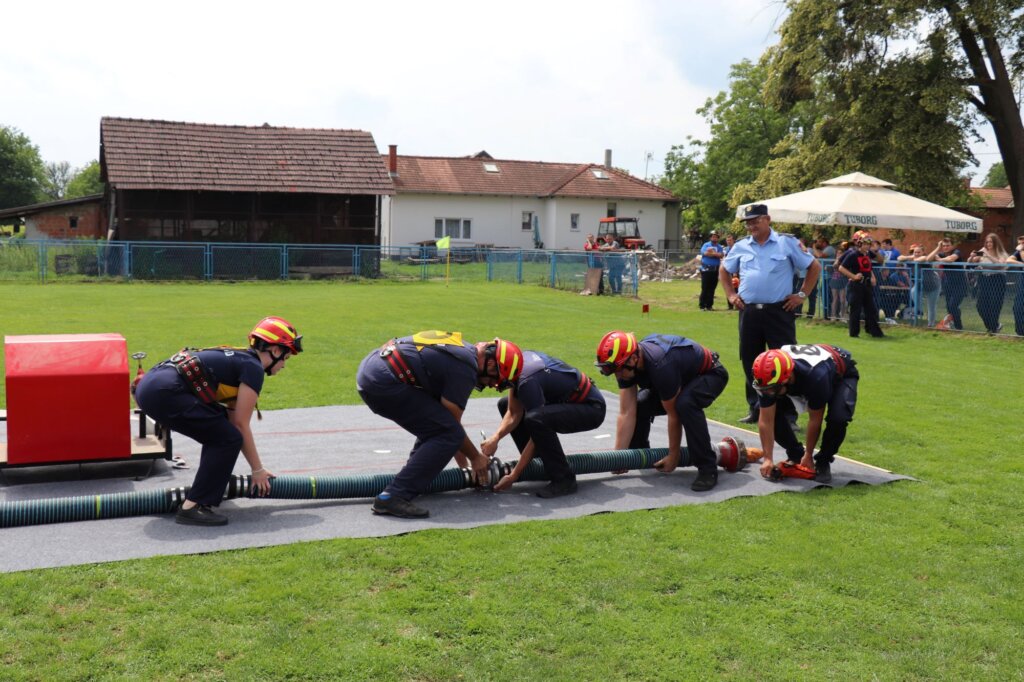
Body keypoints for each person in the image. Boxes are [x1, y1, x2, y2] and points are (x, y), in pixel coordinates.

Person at [133, 316, 303, 526]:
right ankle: (194, 507)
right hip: (165, 392)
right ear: (275, 351)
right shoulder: (254, 368)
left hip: (151, 386)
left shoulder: (241, 359)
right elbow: (240, 425)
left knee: (222, 430)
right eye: (287, 357)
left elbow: (232, 419)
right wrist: (257, 470)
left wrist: (256, 467)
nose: (284, 365)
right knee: (228, 438)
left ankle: (206, 492)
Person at [356, 331, 523, 519]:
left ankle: (410, 479)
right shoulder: (465, 368)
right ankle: (393, 496)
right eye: (494, 380)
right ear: (491, 364)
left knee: (437, 424)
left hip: (375, 368)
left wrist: (465, 469)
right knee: (446, 432)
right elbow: (452, 429)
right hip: (383, 382)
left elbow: (443, 422)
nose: (491, 385)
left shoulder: (463, 350)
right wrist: (476, 459)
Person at [718, 204, 820, 424]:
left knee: (785, 362)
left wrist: (802, 294)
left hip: (778, 312)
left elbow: (814, 266)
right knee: (750, 361)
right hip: (749, 312)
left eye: (756, 221)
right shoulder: (741, 246)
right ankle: (756, 408)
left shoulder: (786, 243)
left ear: (768, 219)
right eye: (748, 222)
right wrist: (730, 295)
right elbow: (724, 270)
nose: (751, 226)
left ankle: (788, 415)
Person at [594, 331, 729, 492]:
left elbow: (674, 416)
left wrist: (674, 455)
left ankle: (708, 469)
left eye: (618, 369)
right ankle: (640, 451)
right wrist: (619, 456)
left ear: (634, 358)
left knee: (685, 405)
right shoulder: (626, 364)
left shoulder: (661, 365)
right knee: (640, 403)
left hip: (710, 374)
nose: (618, 375)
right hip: (679, 377)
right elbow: (627, 412)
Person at [481, 349, 606, 498]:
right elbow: (514, 412)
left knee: (536, 419)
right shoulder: (516, 365)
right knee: (504, 404)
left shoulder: (527, 381)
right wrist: (495, 438)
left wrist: (514, 475)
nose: (490, 384)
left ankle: (564, 479)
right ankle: (541, 464)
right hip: (575, 401)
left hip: (591, 409)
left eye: (490, 379)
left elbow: (536, 430)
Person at [751, 344, 858, 484]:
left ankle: (823, 461)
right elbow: (766, 420)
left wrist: (809, 455)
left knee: (838, 418)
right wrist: (768, 458)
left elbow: (815, 419)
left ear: (787, 378)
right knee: (764, 409)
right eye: (764, 389)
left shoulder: (816, 377)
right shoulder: (766, 377)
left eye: (771, 389)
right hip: (799, 377)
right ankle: (796, 454)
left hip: (840, 373)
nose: (767, 393)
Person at [837, 232, 885, 338]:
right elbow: (841, 267)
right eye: (865, 244)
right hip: (855, 286)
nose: (867, 246)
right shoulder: (852, 255)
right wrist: (853, 276)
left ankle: (874, 332)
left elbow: (879, 261)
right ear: (859, 244)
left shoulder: (867, 254)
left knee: (871, 309)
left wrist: (873, 276)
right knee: (856, 311)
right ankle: (854, 333)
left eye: (869, 244)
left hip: (866, 285)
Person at [967, 233, 1009, 333]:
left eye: (991, 242)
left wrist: (988, 255)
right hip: (984, 279)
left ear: (996, 242)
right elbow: (970, 262)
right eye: (987, 242)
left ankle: (992, 330)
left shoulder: (1001, 252)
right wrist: (971, 257)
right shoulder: (983, 251)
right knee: (981, 306)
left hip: (997, 280)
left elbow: (1000, 265)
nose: (988, 244)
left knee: (994, 305)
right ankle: (994, 326)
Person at [927, 237, 967, 330]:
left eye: (948, 245)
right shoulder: (941, 253)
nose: (945, 247)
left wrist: (940, 260)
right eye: (943, 246)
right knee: (949, 307)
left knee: (953, 305)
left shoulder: (957, 252)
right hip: (948, 283)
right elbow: (929, 259)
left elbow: (951, 259)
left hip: (960, 283)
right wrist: (937, 248)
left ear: (952, 246)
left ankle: (959, 327)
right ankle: (955, 325)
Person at [898, 244, 940, 327]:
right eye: (915, 252)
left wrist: (913, 258)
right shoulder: (911, 260)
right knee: (913, 291)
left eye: (918, 252)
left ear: (923, 252)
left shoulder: (925, 259)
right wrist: (910, 257)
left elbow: (923, 258)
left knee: (931, 306)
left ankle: (930, 324)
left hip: (933, 285)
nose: (916, 254)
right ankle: (918, 309)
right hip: (920, 284)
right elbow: (899, 258)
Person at [698, 230, 725, 310]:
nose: (714, 238)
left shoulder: (719, 247)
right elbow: (704, 253)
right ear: (710, 237)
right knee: (705, 287)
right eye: (713, 236)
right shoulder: (706, 245)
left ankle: (709, 305)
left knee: (712, 288)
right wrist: (715, 254)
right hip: (706, 269)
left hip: (715, 270)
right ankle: (702, 305)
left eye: (716, 237)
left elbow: (721, 255)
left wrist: (713, 253)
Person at [811, 237, 836, 319]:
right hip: (825, 275)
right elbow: (817, 255)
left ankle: (829, 314)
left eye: (819, 242)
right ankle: (826, 314)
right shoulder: (825, 249)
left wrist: (814, 247)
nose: (817, 243)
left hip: (830, 276)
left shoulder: (829, 249)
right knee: (824, 294)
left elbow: (820, 256)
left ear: (824, 243)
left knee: (828, 295)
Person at [1006, 235, 1024, 336]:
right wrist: (1021, 264)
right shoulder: (1019, 251)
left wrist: (1020, 250)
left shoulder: (1020, 251)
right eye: (1020, 243)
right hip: (1022, 281)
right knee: (1017, 307)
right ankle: (1020, 332)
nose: (1021, 245)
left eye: (1023, 243)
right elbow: (1009, 260)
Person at [829, 240, 851, 320]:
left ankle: (843, 315)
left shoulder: (845, 262)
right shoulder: (833, 261)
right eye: (838, 253)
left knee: (842, 299)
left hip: (843, 281)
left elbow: (845, 271)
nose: (839, 254)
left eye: (840, 253)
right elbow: (829, 268)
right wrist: (835, 262)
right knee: (835, 299)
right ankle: (833, 316)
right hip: (834, 281)